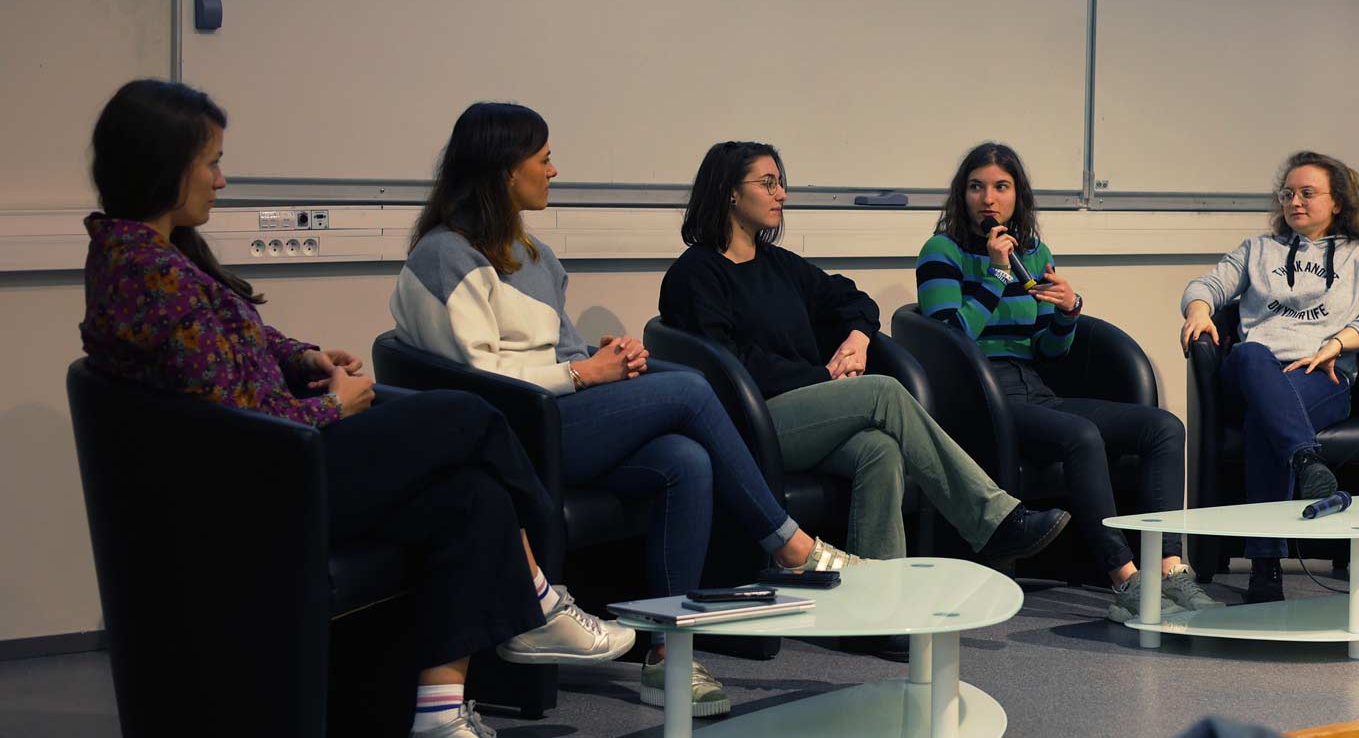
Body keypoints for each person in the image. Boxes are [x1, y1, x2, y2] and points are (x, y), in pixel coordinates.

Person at [78, 81, 630, 738]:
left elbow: (235, 348)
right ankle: (539, 600)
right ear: (163, 164)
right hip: (266, 479)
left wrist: (304, 358)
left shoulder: (152, 253)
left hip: (276, 460)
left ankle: (437, 714)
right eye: (212, 162)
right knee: (469, 416)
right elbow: (228, 419)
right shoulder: (149, 273)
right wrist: (332, 408)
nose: (222, 180)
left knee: (473, 495)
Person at [390, 103, 858, 719]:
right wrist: (585, 373)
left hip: (555, 416)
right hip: (511, 436)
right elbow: (478, 383)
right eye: (544, 158)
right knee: (691, 389)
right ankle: (785, 542)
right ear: (505, 171)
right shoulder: (445, 256)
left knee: (684, 459)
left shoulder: (531, 256)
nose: (554, 171)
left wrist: (603, 358)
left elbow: (559, 353)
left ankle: (668, 655)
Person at [659, 140, 1069, 566]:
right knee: (883, 393)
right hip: (747, 424)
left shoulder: (779, 264)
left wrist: (857, 338)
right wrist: (823, 377)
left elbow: (854, 300)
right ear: (729, 190)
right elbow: (731, 370)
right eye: (768, 183)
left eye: (781, 182)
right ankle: (993, 520)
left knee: (879, 449)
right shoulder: (695, 276)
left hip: (804, 415)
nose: (781, 193)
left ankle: (878, 603)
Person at [916, 143, 1215, 622]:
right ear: (962, 195)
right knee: (1081, 435)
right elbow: (952, 338)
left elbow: (1048, 351)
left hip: (1034, 389)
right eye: (976, 187)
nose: (987, 199)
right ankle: (1124, 578)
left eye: (1000, 187)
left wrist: (1068, 312)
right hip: (980, 399)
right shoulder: (941, 252)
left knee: (1164, 426)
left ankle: (1170, 567)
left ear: (1018, 197)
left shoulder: (1033, 254)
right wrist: (994, 274)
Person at [1179, 152, 1359, 604]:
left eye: (1307, 193)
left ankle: (1266, 568)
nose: (1294, 202)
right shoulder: (1256, 250)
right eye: (1287, 194)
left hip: (1319, 374)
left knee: (1265, 423)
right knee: (1248, 354)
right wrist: (1200, 310)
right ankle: (1306, 459)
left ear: (1337, 201)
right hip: (1251, 373)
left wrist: (1340, 342)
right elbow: (1204, 285)